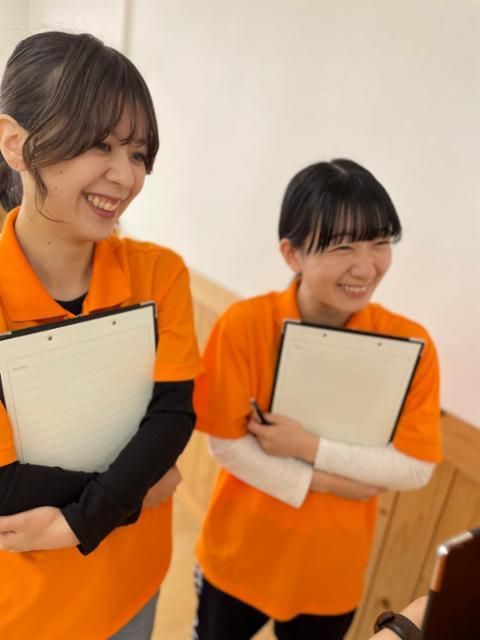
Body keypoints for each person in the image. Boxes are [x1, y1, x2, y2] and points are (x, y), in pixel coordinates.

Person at [0, 31, 202, 639]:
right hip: (29, 609)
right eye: (99, 144)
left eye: (138, 154)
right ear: (15, 143)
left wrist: (79, 521)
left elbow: (173, 416)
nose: (125, 175)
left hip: (135, 583)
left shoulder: (159, 274)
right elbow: (9, 490)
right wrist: (141, 487)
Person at [192, 159, 442, 640]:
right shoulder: (244, 326)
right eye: (342, 246)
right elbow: (226, 446)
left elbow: (414, 468)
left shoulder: (410, 345)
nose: (365, 267)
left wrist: (307, 447)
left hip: (331, 573)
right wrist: (330, 481)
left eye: (380, 243)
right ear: (292, 254)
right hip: (237, 557)